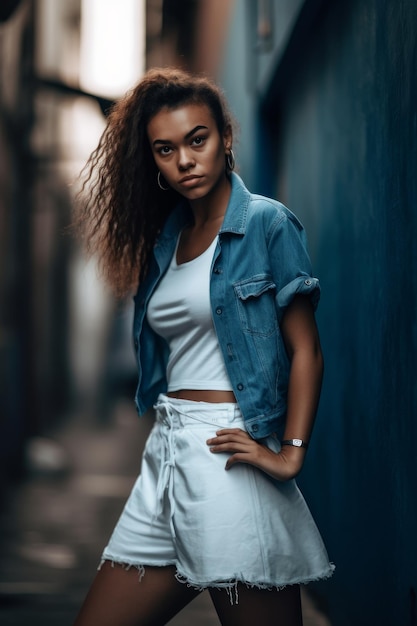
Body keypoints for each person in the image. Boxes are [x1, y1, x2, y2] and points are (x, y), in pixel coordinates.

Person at [73, 67, 334, 626]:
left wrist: (290, 453)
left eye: (198, 140)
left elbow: (307, 349)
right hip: (166, 459)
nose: (185, 160)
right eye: (166, 150)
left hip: (228, 460)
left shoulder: (265, 224)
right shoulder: (165, 241)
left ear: (225, 138)